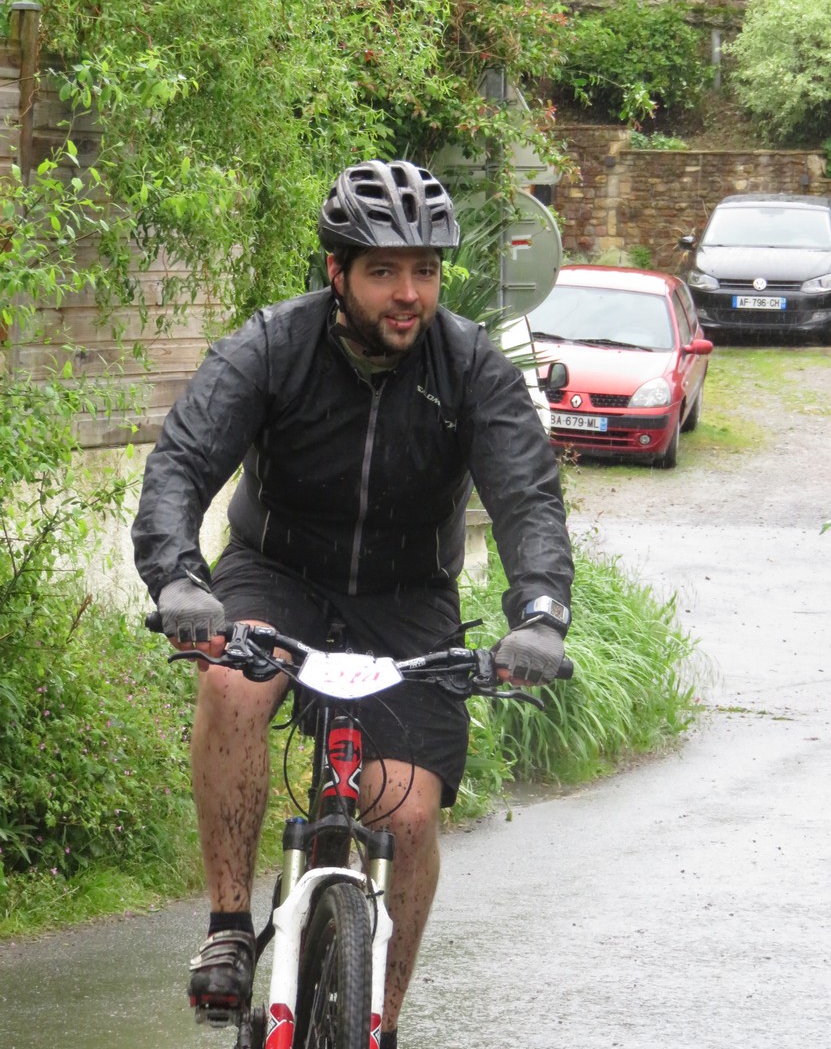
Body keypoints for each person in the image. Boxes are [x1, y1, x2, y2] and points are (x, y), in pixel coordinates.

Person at [131, 159, 573, 1047]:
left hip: (408, 598)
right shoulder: (273, 347)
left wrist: (539, 614)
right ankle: (228, 927)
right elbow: (181, 462)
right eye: (383, 271)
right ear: (337, 272)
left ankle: (381, 1022)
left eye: (425, 270)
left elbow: (527, 499)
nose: (409, 293)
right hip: (277, 572)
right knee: (231, 685)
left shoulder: (471, 368)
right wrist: (178, 577)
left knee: (405, 817)